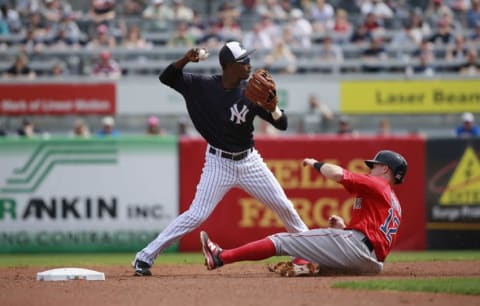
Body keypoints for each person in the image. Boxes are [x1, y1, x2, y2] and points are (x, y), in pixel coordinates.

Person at [132, 41, 309, 276]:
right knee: (197, 214)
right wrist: (185, 59)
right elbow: (166, 77)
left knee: (284, 206)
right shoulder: (202, 86)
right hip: (219, 162)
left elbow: (282, 124)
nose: (249, 64)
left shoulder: (252, 92)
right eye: (243, 61)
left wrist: (275, 108)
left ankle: (312, 253)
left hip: (249, 162)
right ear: (229, 66)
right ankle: (144, 257)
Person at [200, 150, 408, 276]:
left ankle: (220, 257)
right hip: (372, 265)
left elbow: (337, 174)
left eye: (375, 165)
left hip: (354, 247)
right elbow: (377, 239)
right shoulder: (396, 204)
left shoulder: (378, 184)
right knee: (313, 250)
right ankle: (305, 264)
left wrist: (316, 164)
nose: (371, 169)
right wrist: (343, 229)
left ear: (386, 170)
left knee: (281, 241)